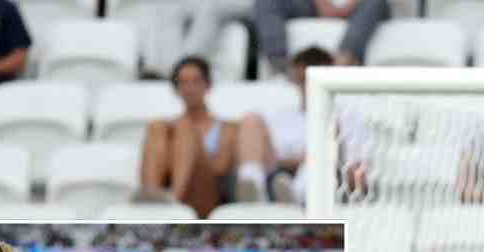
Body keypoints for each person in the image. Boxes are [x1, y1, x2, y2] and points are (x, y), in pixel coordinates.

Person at [138, 56, 238, 219]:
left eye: (195, 81)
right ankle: (154, 200)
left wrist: (188, 151)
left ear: (208, 85)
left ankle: (172, 201)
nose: (189, 88)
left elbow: (221, 168)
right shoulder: (165, 128)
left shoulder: (227, 127)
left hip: (207, 194)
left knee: (185, 129)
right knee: (156, 126)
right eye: (183, 82)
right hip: (167, 187)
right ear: (176, 89)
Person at [236, 46, 332, 205]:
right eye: (302, 81)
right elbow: (271, 158)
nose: (307, 86)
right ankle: (252, 187)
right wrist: (296, 160)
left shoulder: (346, 119)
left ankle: (298, 193)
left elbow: (354, 166)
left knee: (324, 134)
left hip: (322, 180)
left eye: (311, 81)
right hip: (277, 178)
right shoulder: (281, 117)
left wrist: (308, 158)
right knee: (251, 120)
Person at [255, 0, 390, 71]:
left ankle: (343, 62)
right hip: (313, 6)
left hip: (361, 7)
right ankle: (282, 66)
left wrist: (347, 6)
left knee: (375, 2)